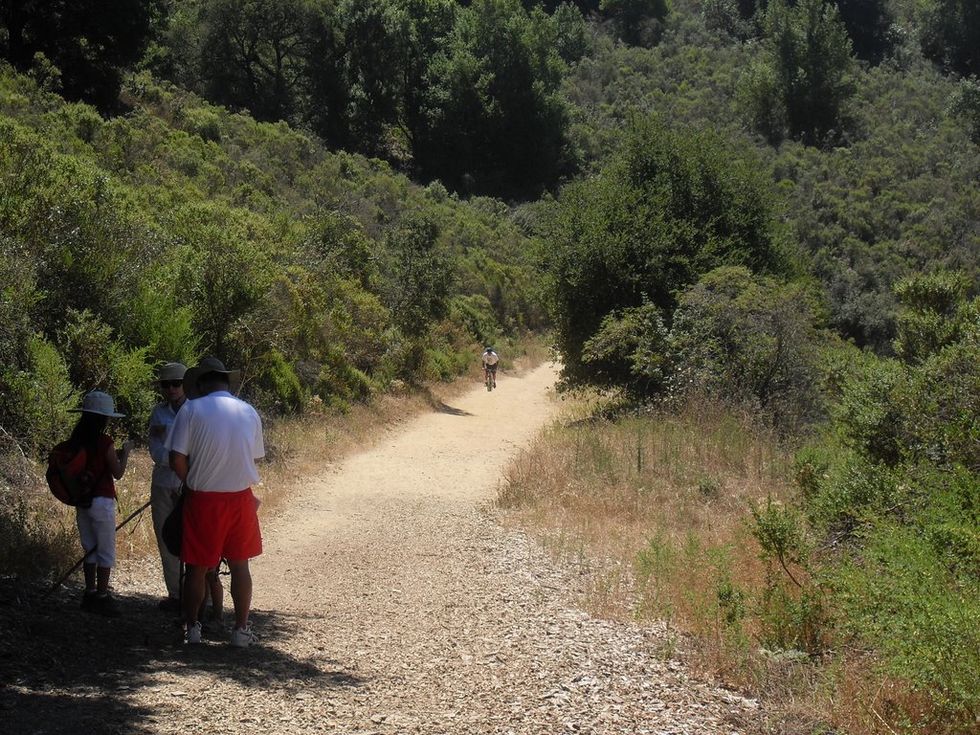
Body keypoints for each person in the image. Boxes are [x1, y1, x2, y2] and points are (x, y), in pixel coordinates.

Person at [166, 357, 264, 647]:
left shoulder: (191, 409)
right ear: (225, 382)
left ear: (201, 384)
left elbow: (176, 458)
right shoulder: (249, 411)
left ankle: (193, 627)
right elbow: (254, 456)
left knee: (197, 568)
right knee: (240, 565)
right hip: (241, 498)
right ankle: (241, 629)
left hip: (203, 499)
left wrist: (192, 481)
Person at [67, 391, 134, 617]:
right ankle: (103, 597)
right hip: (102, 501)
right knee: (105, 549)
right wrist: (125, 453)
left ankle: (89, 592)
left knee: (90, 547)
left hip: (82, 500)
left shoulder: (76, 440)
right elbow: (118, 473)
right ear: (104, 418)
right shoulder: (105, 441)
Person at [148, 362, 187, 612]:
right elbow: (154, 448)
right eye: (166, 384)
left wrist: (177, 461)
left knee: (191, 539)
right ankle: (175, 594)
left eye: (176, 384)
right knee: (166, 538)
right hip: (163, 482)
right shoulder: (158, 413)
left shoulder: (195, 410)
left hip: (189, 484)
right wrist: (176, 461)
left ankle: (197, 597)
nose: (171, 389)